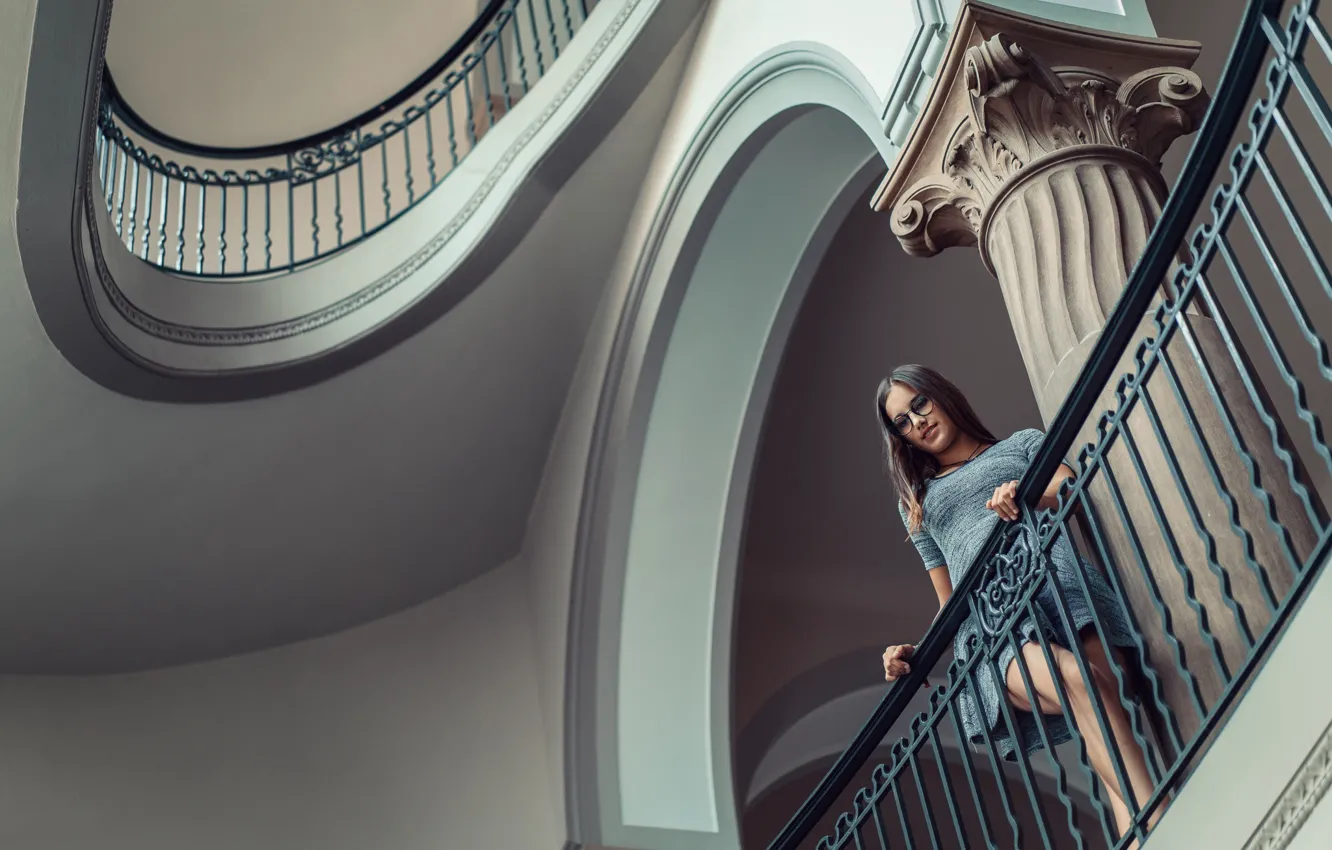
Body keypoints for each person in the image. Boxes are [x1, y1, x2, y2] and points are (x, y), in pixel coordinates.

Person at [876, 364, 1158, 844]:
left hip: (1057, 586)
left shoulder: (1022, 444)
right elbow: (948, 600)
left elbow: (1068, 487)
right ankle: (1160, 812)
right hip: (992, 623)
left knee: (1099, 708)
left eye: (919, 404)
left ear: (942, 395)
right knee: (1079, 680)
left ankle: (1138, 834)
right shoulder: (918, 502)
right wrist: (918, 651)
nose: (917, 422)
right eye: (902, 422)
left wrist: (1024, 493)